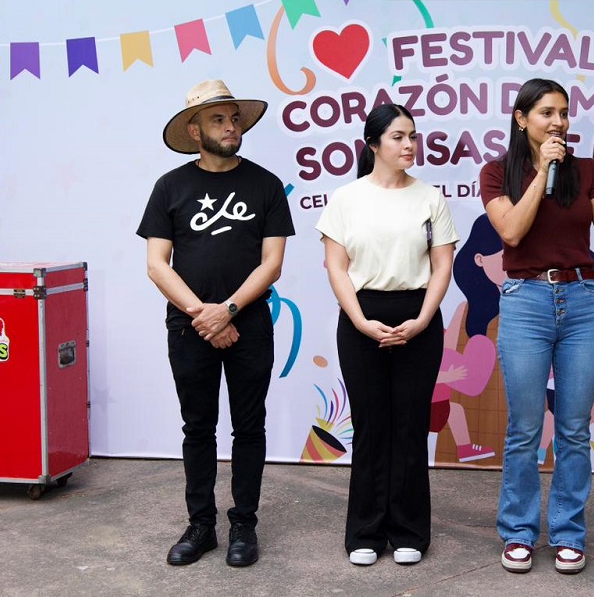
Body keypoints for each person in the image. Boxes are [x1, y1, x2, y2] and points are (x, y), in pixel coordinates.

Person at [479, 78, 594, 575]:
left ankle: (567, 533)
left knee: (574, 428)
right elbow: (512, 231)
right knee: (524, 427)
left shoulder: (587, 170)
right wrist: (543, 171)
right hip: (525, 301)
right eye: (547, 113)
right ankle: (519, 532)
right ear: (522, 119)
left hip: (583, 300)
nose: (559, 122)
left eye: (564, 112)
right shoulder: (496, 173)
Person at [137, 79, 294, 568]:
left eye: (234, 118)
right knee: (198, 427)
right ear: (195, 130)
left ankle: (244, 524)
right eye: (218, 119)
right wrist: (202, 315)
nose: (230, 127)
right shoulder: (170, 186)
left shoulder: (266, 184)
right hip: (189, 328)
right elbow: (157, 264)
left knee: (249, 427)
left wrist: (227, 310)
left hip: (249, 324)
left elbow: (272, 264)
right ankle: (201, 525)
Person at [316, 103, 458, 567]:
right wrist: (360, 321)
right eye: (398, 137)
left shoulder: (430, 198)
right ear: (373, 144)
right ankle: (365, 532)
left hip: (419, 318)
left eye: (412, 136)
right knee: (371, 426)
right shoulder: (345, 199)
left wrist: (422, 320)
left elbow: (442, 266)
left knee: (411, 426)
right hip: (361, 318)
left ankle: (409, 531)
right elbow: (336, 267)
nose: (409, 145)